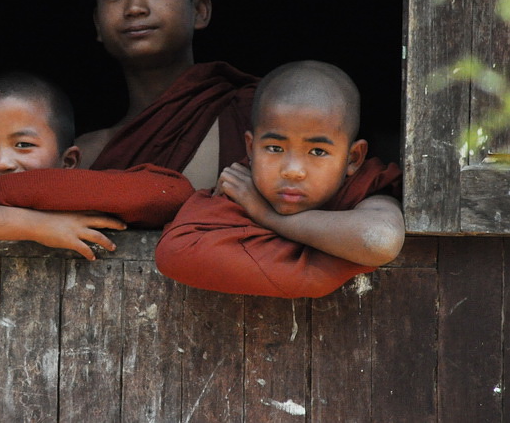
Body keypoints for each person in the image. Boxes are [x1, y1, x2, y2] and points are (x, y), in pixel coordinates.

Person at [155, 60, 406, 298]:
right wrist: (332, 258)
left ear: (353, 158)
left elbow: (380, 242)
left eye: (317, 151)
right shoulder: (240, 185)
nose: (293, 170)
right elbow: (176, 252)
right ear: (251, 149)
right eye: (275, 148)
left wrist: (266, 215)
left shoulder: (367, 186)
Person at [0, 71, 194, 260]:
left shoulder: (78, 197)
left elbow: (163, 195)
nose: (2, 162)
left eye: (23, 145)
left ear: (69, 161)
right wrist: (39, 227)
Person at [75, 0, 259, 190]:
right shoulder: (83, 155)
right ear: (97, 24)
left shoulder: (253, 115)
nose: (135, 8)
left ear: (200, 11)